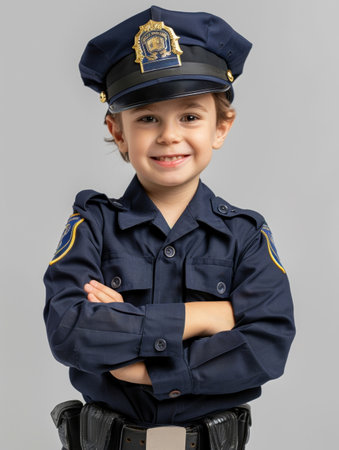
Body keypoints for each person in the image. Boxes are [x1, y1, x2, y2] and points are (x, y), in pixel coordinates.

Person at [43, 6, 295, 450]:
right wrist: (207, 317)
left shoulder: (245, 236)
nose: (169, 135)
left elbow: (266, 345)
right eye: (147, 118)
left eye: (190, 116)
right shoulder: (93, 226)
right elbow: (70, 331)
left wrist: (141, 361)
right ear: (118, 132)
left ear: (221, 127)